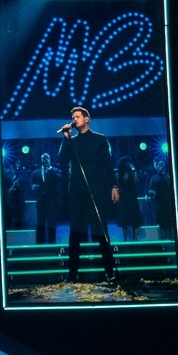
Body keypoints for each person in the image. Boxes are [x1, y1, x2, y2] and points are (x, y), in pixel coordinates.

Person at [57, 106, 119, 283]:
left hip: (96, 192)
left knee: (101, 232)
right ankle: (72, 274)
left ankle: (109, 272)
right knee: (75, 234)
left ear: (86, 119)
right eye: (73, 117)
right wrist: (66, 138)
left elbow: (108, 165)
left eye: (77, 116)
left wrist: (114, 186)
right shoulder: (72, 141)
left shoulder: (100, 139)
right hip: (77, 193)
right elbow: (61, 161)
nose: (74, 119)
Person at [32, 152, 62, 244]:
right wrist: (34, 186)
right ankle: (39, 244)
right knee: (40, 222)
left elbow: (59, 179)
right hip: (41, 201)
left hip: (52, 202)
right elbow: (32, 184)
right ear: (41, 160)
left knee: (51, 223)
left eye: (47, 158)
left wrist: (50, 168)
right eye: (43, 158)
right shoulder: (36, 172)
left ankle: (52, 243)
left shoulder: (55, 171)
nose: (45, 160)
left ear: (50, 159)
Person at [114, 158, 145, 240]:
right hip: (123, 199)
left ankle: (135, 238)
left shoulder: (132, 174)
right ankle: (125, 239)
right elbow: (117, 185)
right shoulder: (118, 175)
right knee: (124, 220)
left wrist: (133, 171)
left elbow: (136, 182)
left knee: (135, 219)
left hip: (132, 199)